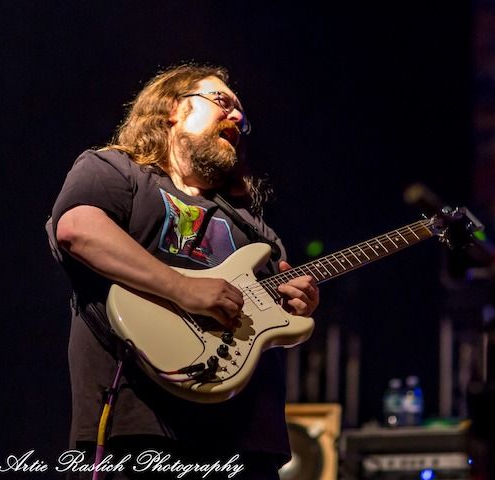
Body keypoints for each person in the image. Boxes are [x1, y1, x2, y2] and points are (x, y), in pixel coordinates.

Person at [48, 64, 319, 479]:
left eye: (242, 117)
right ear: (173, 108)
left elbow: (269, 320)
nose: (237, 117)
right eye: (222, 101)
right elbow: (78, 229)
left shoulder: (256, 230)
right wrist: (182, 289)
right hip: (138, 429)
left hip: (244, 446)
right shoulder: (117, 170)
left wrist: (296, 306)